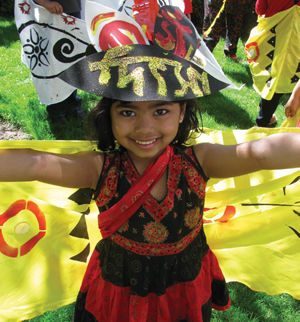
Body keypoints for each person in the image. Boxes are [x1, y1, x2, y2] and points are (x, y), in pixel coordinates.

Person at [4, 3, 300, 322]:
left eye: (160, 111)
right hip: (118, 289)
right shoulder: (98, 168)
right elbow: (35, 164)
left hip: (184, 286)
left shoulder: (201, 161)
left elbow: (261, 152)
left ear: (182, 112)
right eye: (128, 112)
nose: (145, 128)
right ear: (110, 115)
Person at [246, 0, 300, 127]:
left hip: (275, 36)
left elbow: (260, 9)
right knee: (280, 77)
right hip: (296, 39)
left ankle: (263, 121)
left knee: (272, 79)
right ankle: (266, 118)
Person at [34, 0, 86, 123]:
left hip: (72, 9)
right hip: (50, 11)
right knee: (53, 63)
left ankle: (73, 104)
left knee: (73, 61)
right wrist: (44, 2)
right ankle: (57, 109)